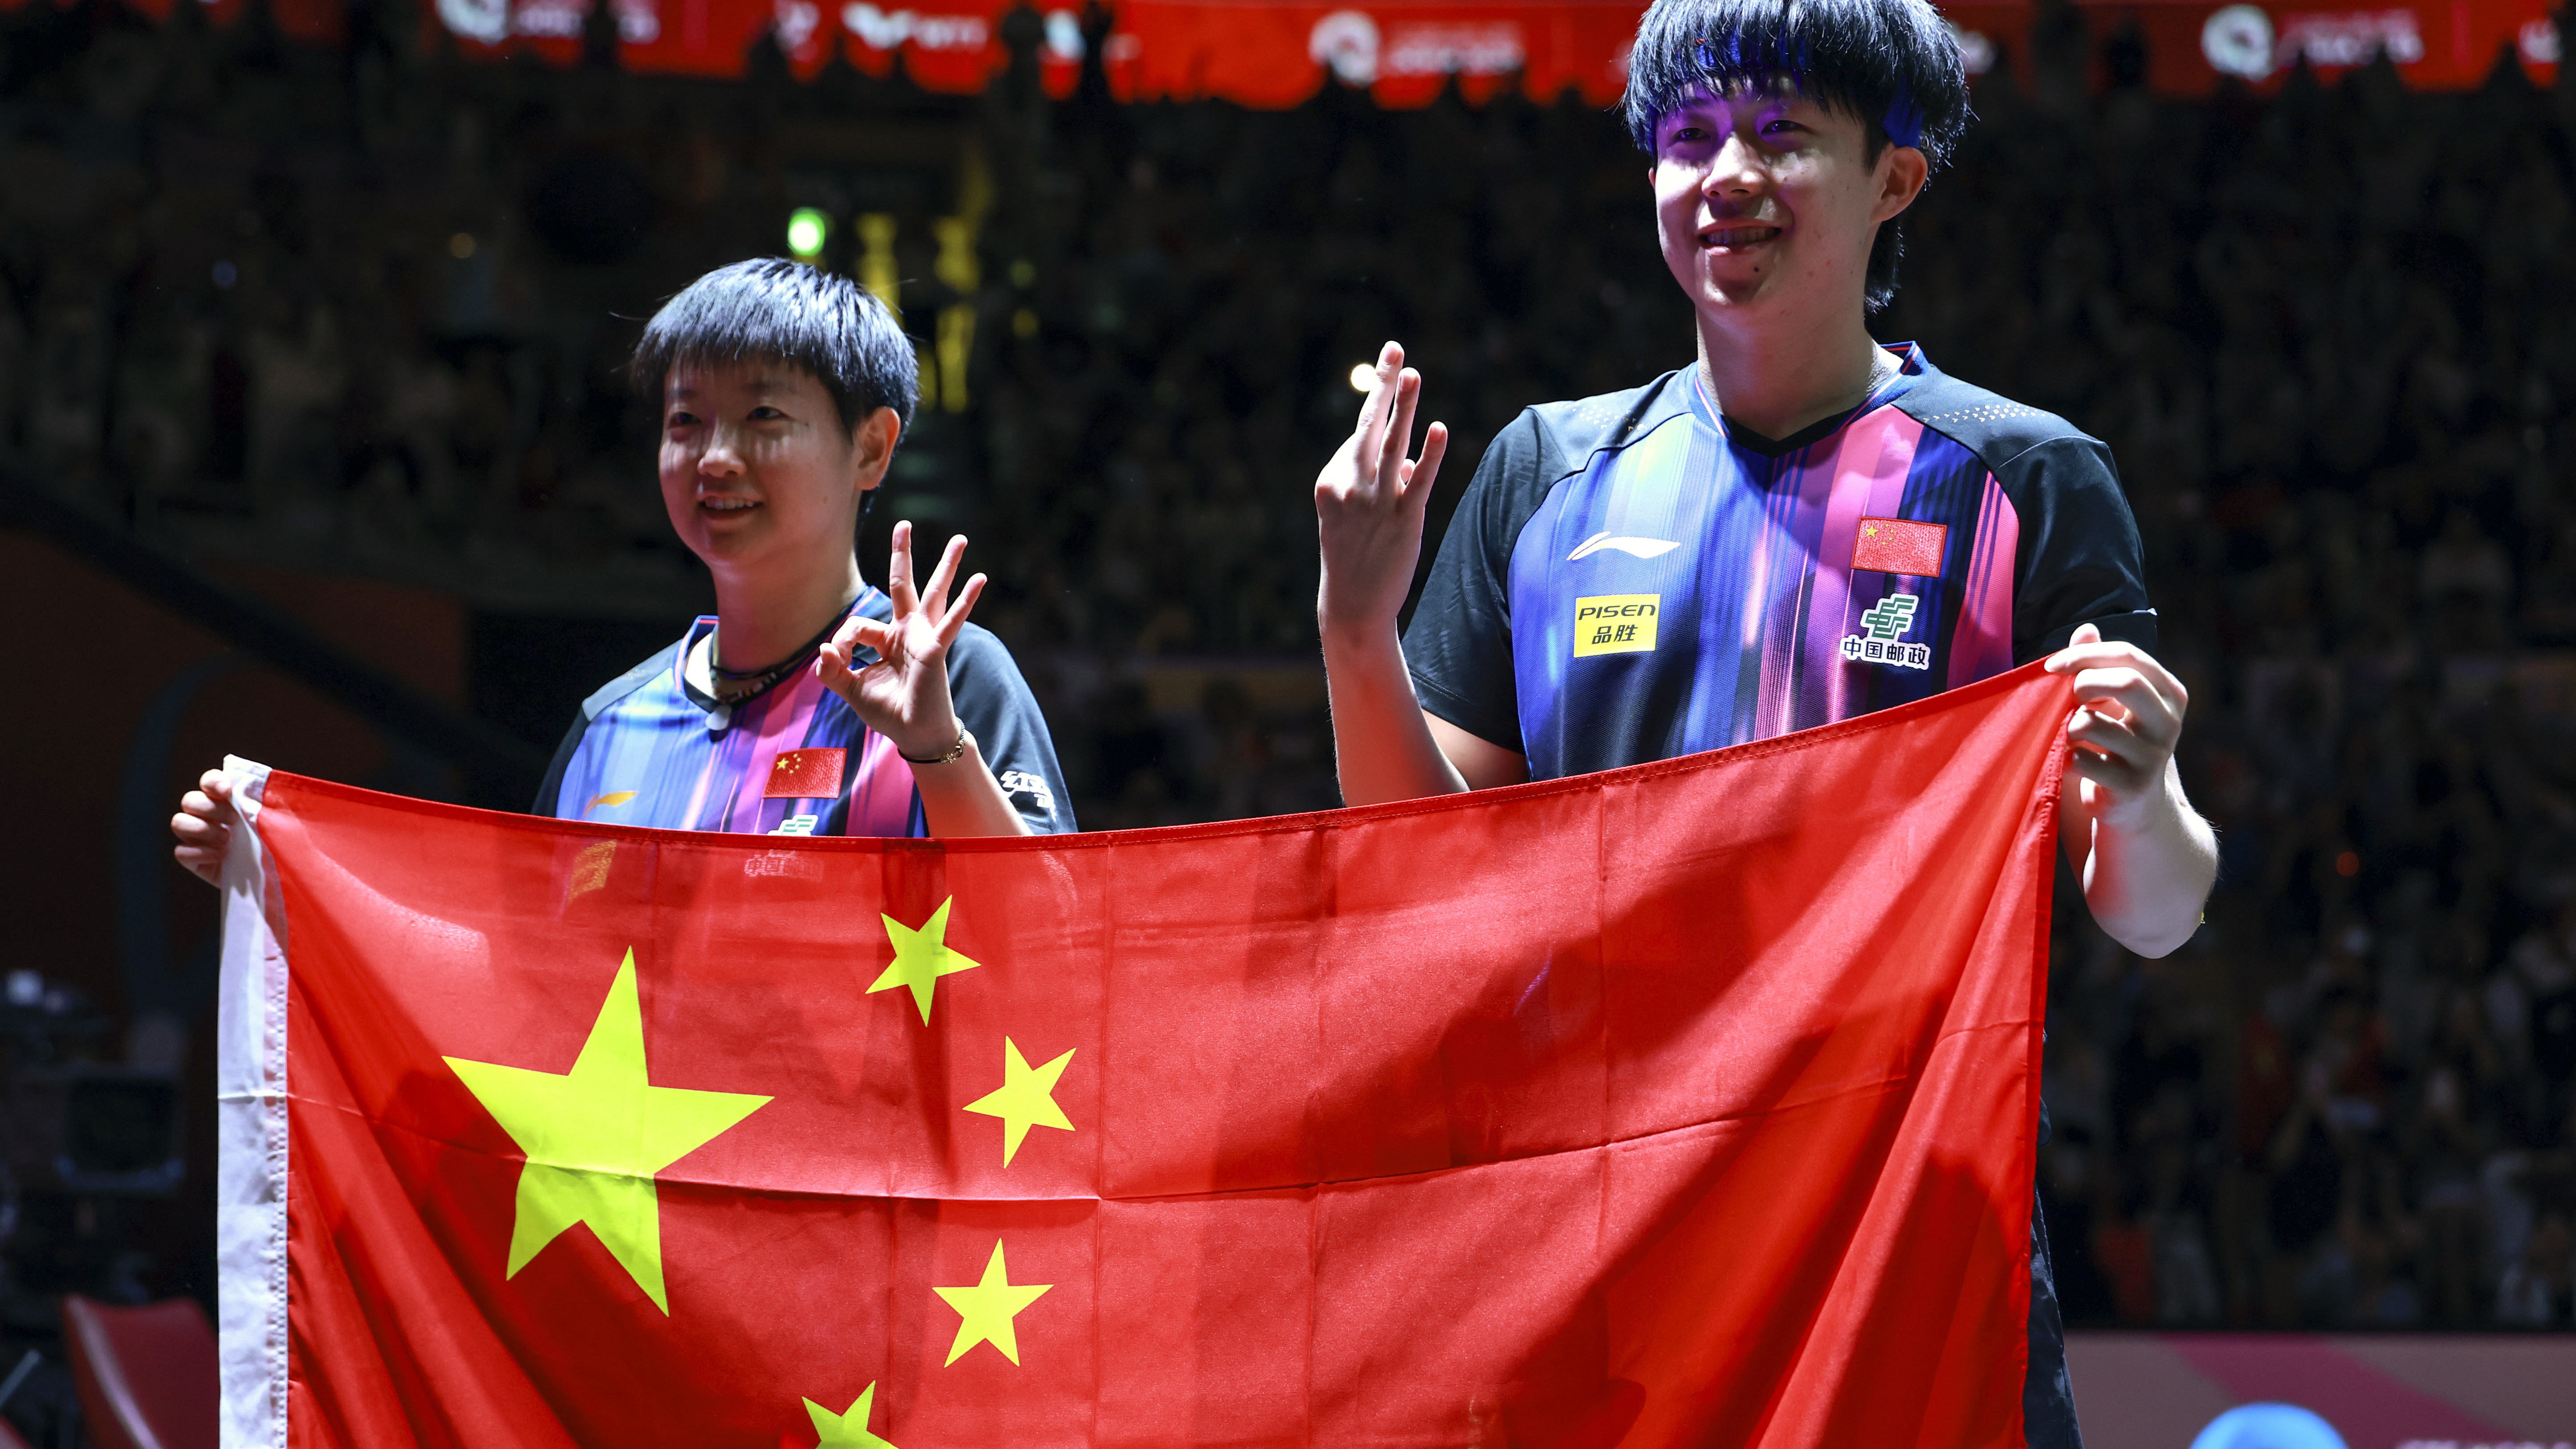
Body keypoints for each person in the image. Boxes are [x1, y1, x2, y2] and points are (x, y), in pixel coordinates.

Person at [1310, 0, 2217, 1441]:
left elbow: (2153, 913)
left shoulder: (2023, 482)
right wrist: (1357, 630)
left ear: (1894, 176)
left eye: (1781, 135)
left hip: (1907, 1248)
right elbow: (1421, 876)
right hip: (1606, 1255)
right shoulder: (1547, 474)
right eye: (1687, 139)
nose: (1725, 173)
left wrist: (2148, 785)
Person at [174, 258, 1072, 878]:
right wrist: (291, 879)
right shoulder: (612, 722)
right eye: (685, 421)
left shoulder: (952, 680)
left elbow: (1055, 945)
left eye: (763, 416)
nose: (714, 457)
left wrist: (936, 752)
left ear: (871, 448)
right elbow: (515, 980)